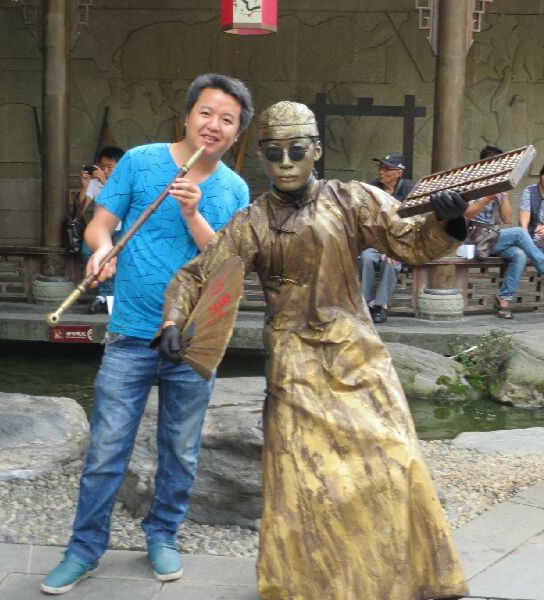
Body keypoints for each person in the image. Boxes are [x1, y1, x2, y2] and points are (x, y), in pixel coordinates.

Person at [156, 101, 469, 600]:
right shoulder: (252, 221)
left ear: (316, 151)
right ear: (262, 155)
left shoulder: (352, 199)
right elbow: (198, 274)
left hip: (356, 350)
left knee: (397, 455)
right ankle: (306, 585)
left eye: (296, 151)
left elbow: (411, 243)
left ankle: (411, 578)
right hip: (293, 359)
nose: (285, 163)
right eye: (274, 153)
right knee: (303, 476)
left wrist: (446, 222)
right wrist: (174, 319)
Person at [41, 73, 254, 595]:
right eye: (207, 113)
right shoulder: (140, 161)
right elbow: (100, 224)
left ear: (237, 132)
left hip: (193, 339)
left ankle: (163, 534)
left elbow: (225, 266)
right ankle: (84, 549)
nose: (214, 125)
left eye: (227, 120)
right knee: (106, 448)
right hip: (131, 332)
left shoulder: (234, 189)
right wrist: (100, 250)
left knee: (180, 449)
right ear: (188, 114)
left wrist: (192, 211)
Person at [464, 146, 544, 319]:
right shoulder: (471, 185)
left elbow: (507, 219)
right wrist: (486, 199)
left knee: (519, 254)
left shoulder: (498, 186)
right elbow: (467, 214)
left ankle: (504, 300)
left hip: (491, 238)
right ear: (484, 164)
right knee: (520, 233)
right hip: (474, 240)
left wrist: (504, 195)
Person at [360, 152, 415, 323]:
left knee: (391, 263)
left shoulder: (409, 189)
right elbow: (367, 221)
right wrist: (381, 246)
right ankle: (365, 302)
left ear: (399, 172)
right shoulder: (372, 188)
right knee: (366, 257)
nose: (381, 172)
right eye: (380, 168)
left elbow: (413, 222)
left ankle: (380, 305)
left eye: (386, 169)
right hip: (376, 242)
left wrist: (393, 249)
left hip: (400, 243)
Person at [77, 145, 125, 314]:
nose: (105, 171)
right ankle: (106, 296)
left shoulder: (124, 182)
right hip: (99, 230)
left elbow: (120, 201)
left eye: (109, 167)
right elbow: (81, 208)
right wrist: (85, 185)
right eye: (102, 167)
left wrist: (105, 181)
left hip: (121, 229)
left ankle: (104, 296)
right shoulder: (95, 182)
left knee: (112, 258)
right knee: (86, 252)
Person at [518, 163, 544, 251]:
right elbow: (523, 224)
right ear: (541, 175)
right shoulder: (529, 191)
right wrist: (526, 240)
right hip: (533, 234)